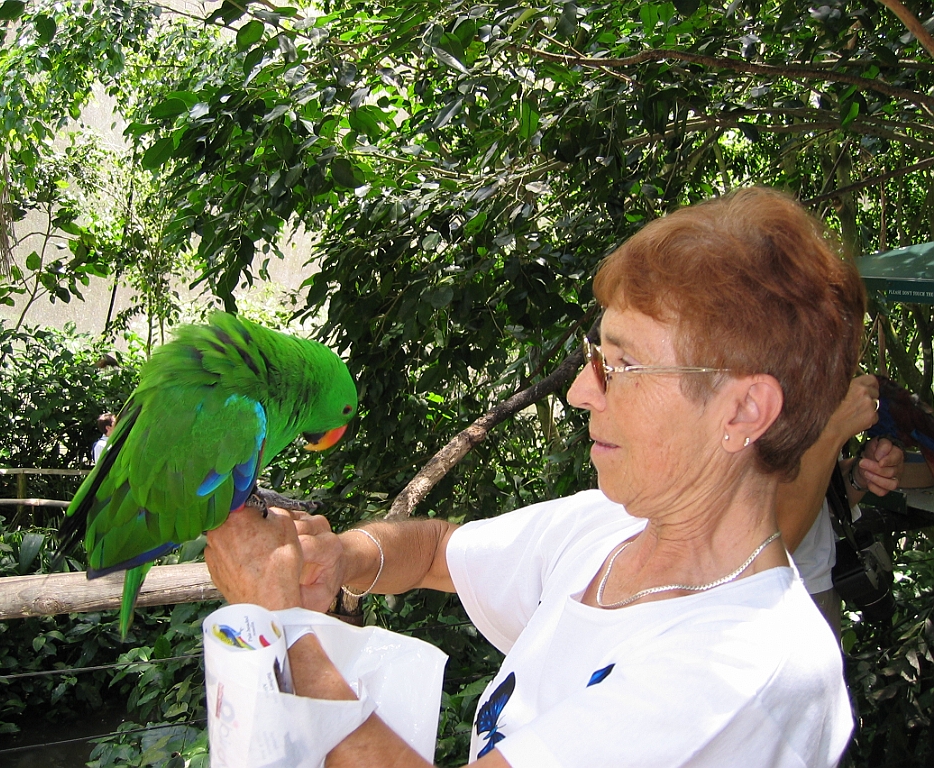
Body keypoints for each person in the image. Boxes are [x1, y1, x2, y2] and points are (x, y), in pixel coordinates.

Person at [204, 187, 861, 767]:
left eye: (620, 367)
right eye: (594, 358)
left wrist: (283, 625)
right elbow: (435, 551)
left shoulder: (745, 670)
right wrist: (340, 557)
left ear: (742, 411)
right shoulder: (608, 530)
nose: (580, 392)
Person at [779, 375, 905, 635]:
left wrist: (860, 476)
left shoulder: (808, 376)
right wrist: (832, 429)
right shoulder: (715, 384)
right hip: (760, 601)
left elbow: (819, 497)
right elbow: (768, 551)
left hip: (818, 588)